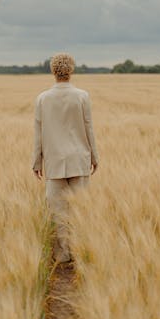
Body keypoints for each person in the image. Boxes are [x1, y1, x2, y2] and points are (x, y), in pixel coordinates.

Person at [32, 52, 99, 262]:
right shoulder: (82, 96)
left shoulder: (42, 98)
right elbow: (89, 128)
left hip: (54, 162)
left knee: (59, 213)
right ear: (71, 70)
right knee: (79, 210)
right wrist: (94, 156)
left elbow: (38, 132)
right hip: (79, 160)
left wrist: (36, 161)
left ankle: (62, 255)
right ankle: (80, 252)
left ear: (52, 71)